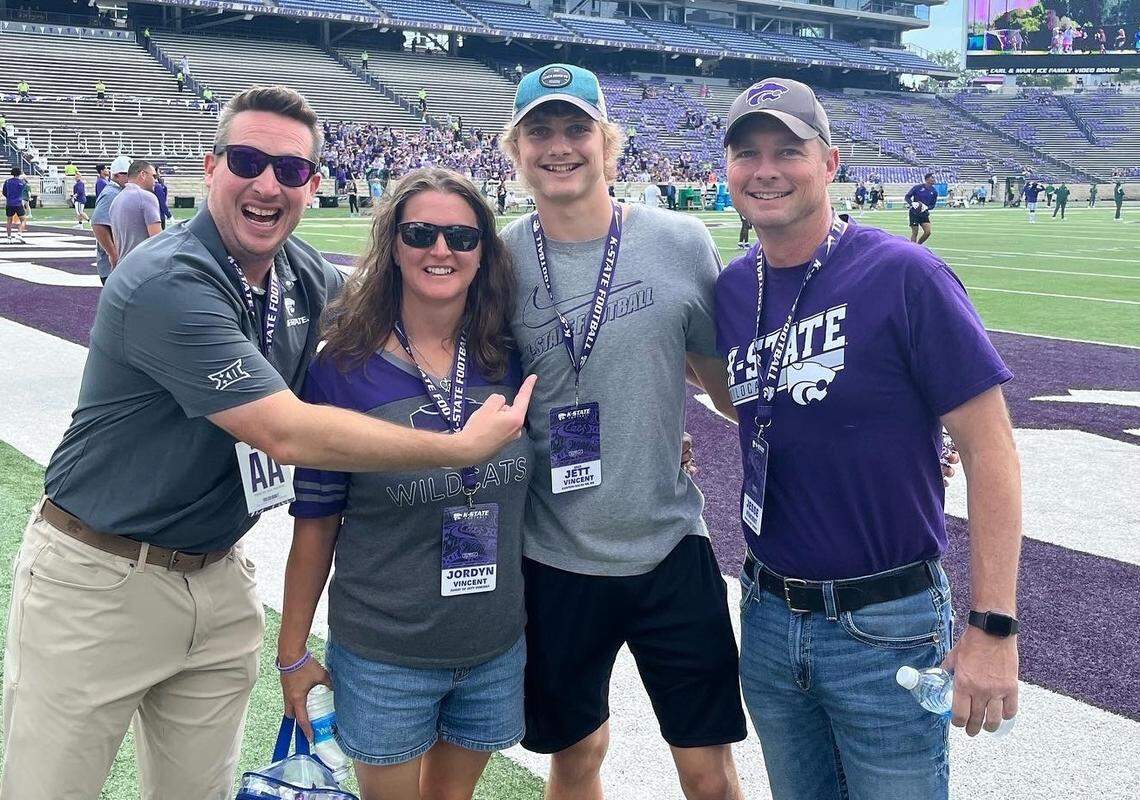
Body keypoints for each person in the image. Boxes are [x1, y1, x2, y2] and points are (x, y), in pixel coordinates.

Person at [0, 85, 532, 800]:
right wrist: (460, 447)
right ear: (211, 166)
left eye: (290, 169)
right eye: (248, 161)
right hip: (102, 575)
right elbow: (282, 431)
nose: (267, 184)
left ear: (311, 184)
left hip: (218, 572)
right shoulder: (166, 278)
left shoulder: (298, 273)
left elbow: (395, 310)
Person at [708, 77, 1021, 800]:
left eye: (788, 150)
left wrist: (993, 627)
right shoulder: (733, 289)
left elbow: (991, 449)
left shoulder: (905, 274)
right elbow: (749, 404)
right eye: (747, 153)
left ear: (830, 163)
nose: (765, 169)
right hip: (768, 613)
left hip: (886, 621)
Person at [498, 64, 746, 800]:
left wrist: (878, 436)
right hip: (554, 552)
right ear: (516, 150)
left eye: (577, 128)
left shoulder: (680, 241)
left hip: (670, 541)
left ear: (608, 142)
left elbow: (731, 391)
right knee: (576, 755)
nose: (559, 146)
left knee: (707, 774)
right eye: (540, 132)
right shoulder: (498, 259)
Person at [279, 168, 532, 800]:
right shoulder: (343, 368)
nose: (441, 249)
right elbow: (316, 522)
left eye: (461, 237)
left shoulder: (509, 356)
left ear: (484, 252)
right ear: (393, 244)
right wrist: (292, 651)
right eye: (420, 233)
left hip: (493, 642)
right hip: (384, 650)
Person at [109, 159, 162, 261]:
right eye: (154, 176)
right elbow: (157, 241)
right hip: (143, 264)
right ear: (143, 174)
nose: (156, 180)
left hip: (124, 265)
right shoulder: (146, 197)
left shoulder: (116, 200)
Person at [91, 155, 131, 283]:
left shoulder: (118, 191)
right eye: (129, 174)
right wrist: (113, 254)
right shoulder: (111, 193)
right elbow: (97, 223)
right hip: (112, 267)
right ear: (117, 175)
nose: (133, 178)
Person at [905, 172, 938, 244]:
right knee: (915, 232)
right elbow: (907, 197)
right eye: (932, 178)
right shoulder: (917, 187)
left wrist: (926, 207)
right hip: (914, 213)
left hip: (924, 213)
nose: (934, 179)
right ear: (927, 179)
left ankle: (918, 245)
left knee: (928, 232)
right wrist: (912, 203)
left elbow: (933, 205)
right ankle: (913, 248)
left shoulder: (934, 191)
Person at [3, 167, 28, 243]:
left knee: (9, 221)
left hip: (9, 203)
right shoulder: (21, 182)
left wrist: (9, 197)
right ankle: (19, 233)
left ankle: (9, 237)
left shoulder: (7, 181)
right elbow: (25, 184)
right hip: (18, 203)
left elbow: (4, 192)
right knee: (23, 220)